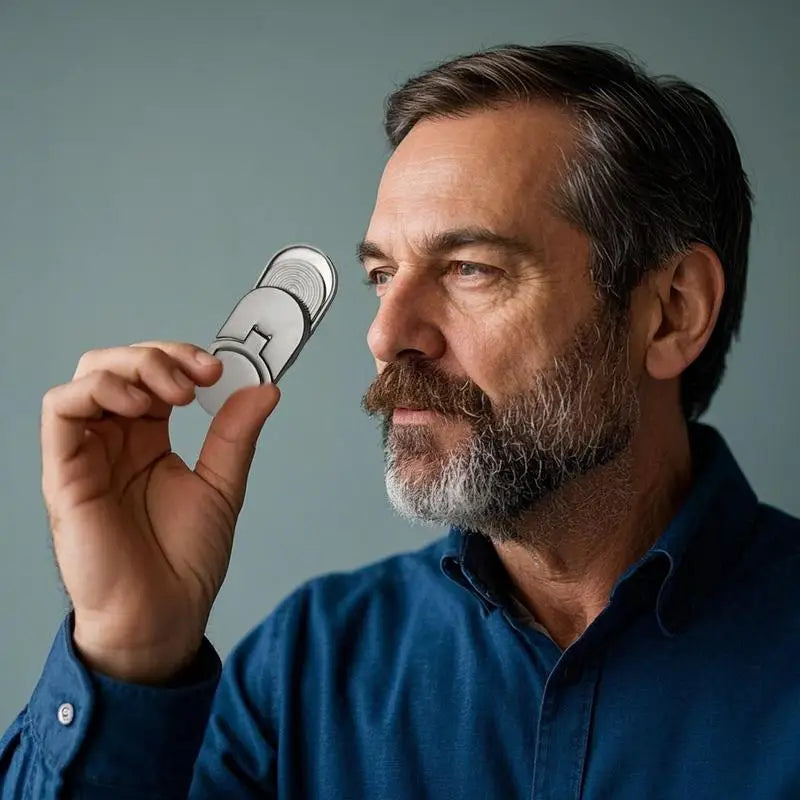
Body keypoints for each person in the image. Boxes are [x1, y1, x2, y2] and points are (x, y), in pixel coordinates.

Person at [1, 42, 798, 799]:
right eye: (382, 274)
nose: (385, 337)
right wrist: (127, 650)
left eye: (470, 269)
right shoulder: (305, 670)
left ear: (670, 313)